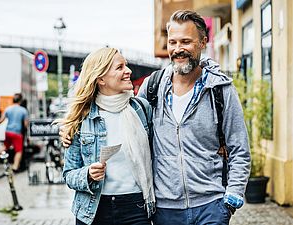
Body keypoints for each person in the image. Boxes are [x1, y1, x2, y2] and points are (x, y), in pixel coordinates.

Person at [61, 10, 251, 225]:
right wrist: (69, 128)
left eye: (186, 41)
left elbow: (239, 149)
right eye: (173, 42)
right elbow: (70, 168)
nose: (178, 49)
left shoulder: (219, 90)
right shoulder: (151, 90)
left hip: (210, 205)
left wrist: (231, 199)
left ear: (203, 42)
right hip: (165, 208)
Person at [58, 47, 155, 225]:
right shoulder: (81, 119)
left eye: (126, 65)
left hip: (136, 207)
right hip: (93, 210)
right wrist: (87, 174)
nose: (128, 71)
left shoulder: (142, 109)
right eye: (120, 67)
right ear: (101, 78)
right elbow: (68, 174)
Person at [0, 93, 29, 172]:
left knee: (5, 146)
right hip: (17, 133)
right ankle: (15, 166)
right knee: (19, 151)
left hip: (8, 132)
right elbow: (26, 125)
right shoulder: (23, 110)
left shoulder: (8, 109)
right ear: (20, 100)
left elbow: (1, 120)